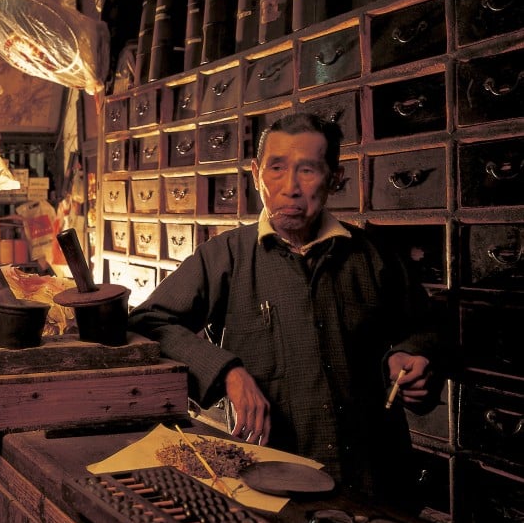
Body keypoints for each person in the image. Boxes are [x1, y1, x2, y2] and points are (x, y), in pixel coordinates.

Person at [127, 112, 444, 502]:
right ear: (256, 173)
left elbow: (431, 327)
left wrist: (414, 354)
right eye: (276, 168)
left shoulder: (374, 256)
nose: (290, 188)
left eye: (307, 170)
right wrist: (227, 372)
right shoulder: (225, 257)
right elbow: (148, 321)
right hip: (271, 483)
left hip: (376, 481)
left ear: (335, 178)